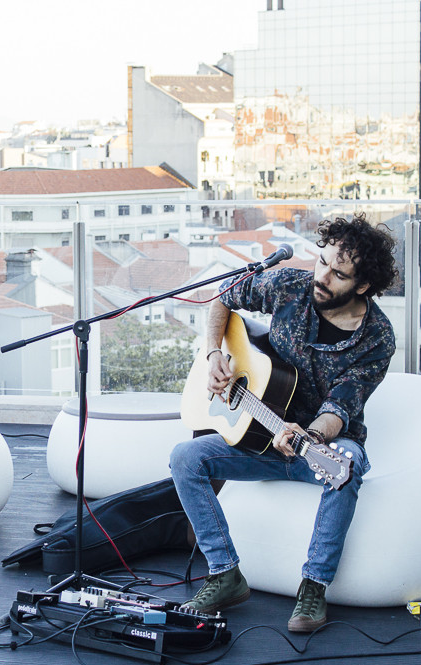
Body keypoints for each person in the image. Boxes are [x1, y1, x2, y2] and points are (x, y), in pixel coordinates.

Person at [169, 214, 397, 632]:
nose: (322, 276)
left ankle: (313, 586)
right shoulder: (290, 285)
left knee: (346, 464)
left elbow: (340, 407)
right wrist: (213, 354)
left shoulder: (377, 337)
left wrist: (308, 436)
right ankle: (224, 574)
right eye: (322, 262)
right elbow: (225, 295)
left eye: (338, 273)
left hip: (319, 446)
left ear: (362, 286)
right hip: (259, 438)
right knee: (185, 457)